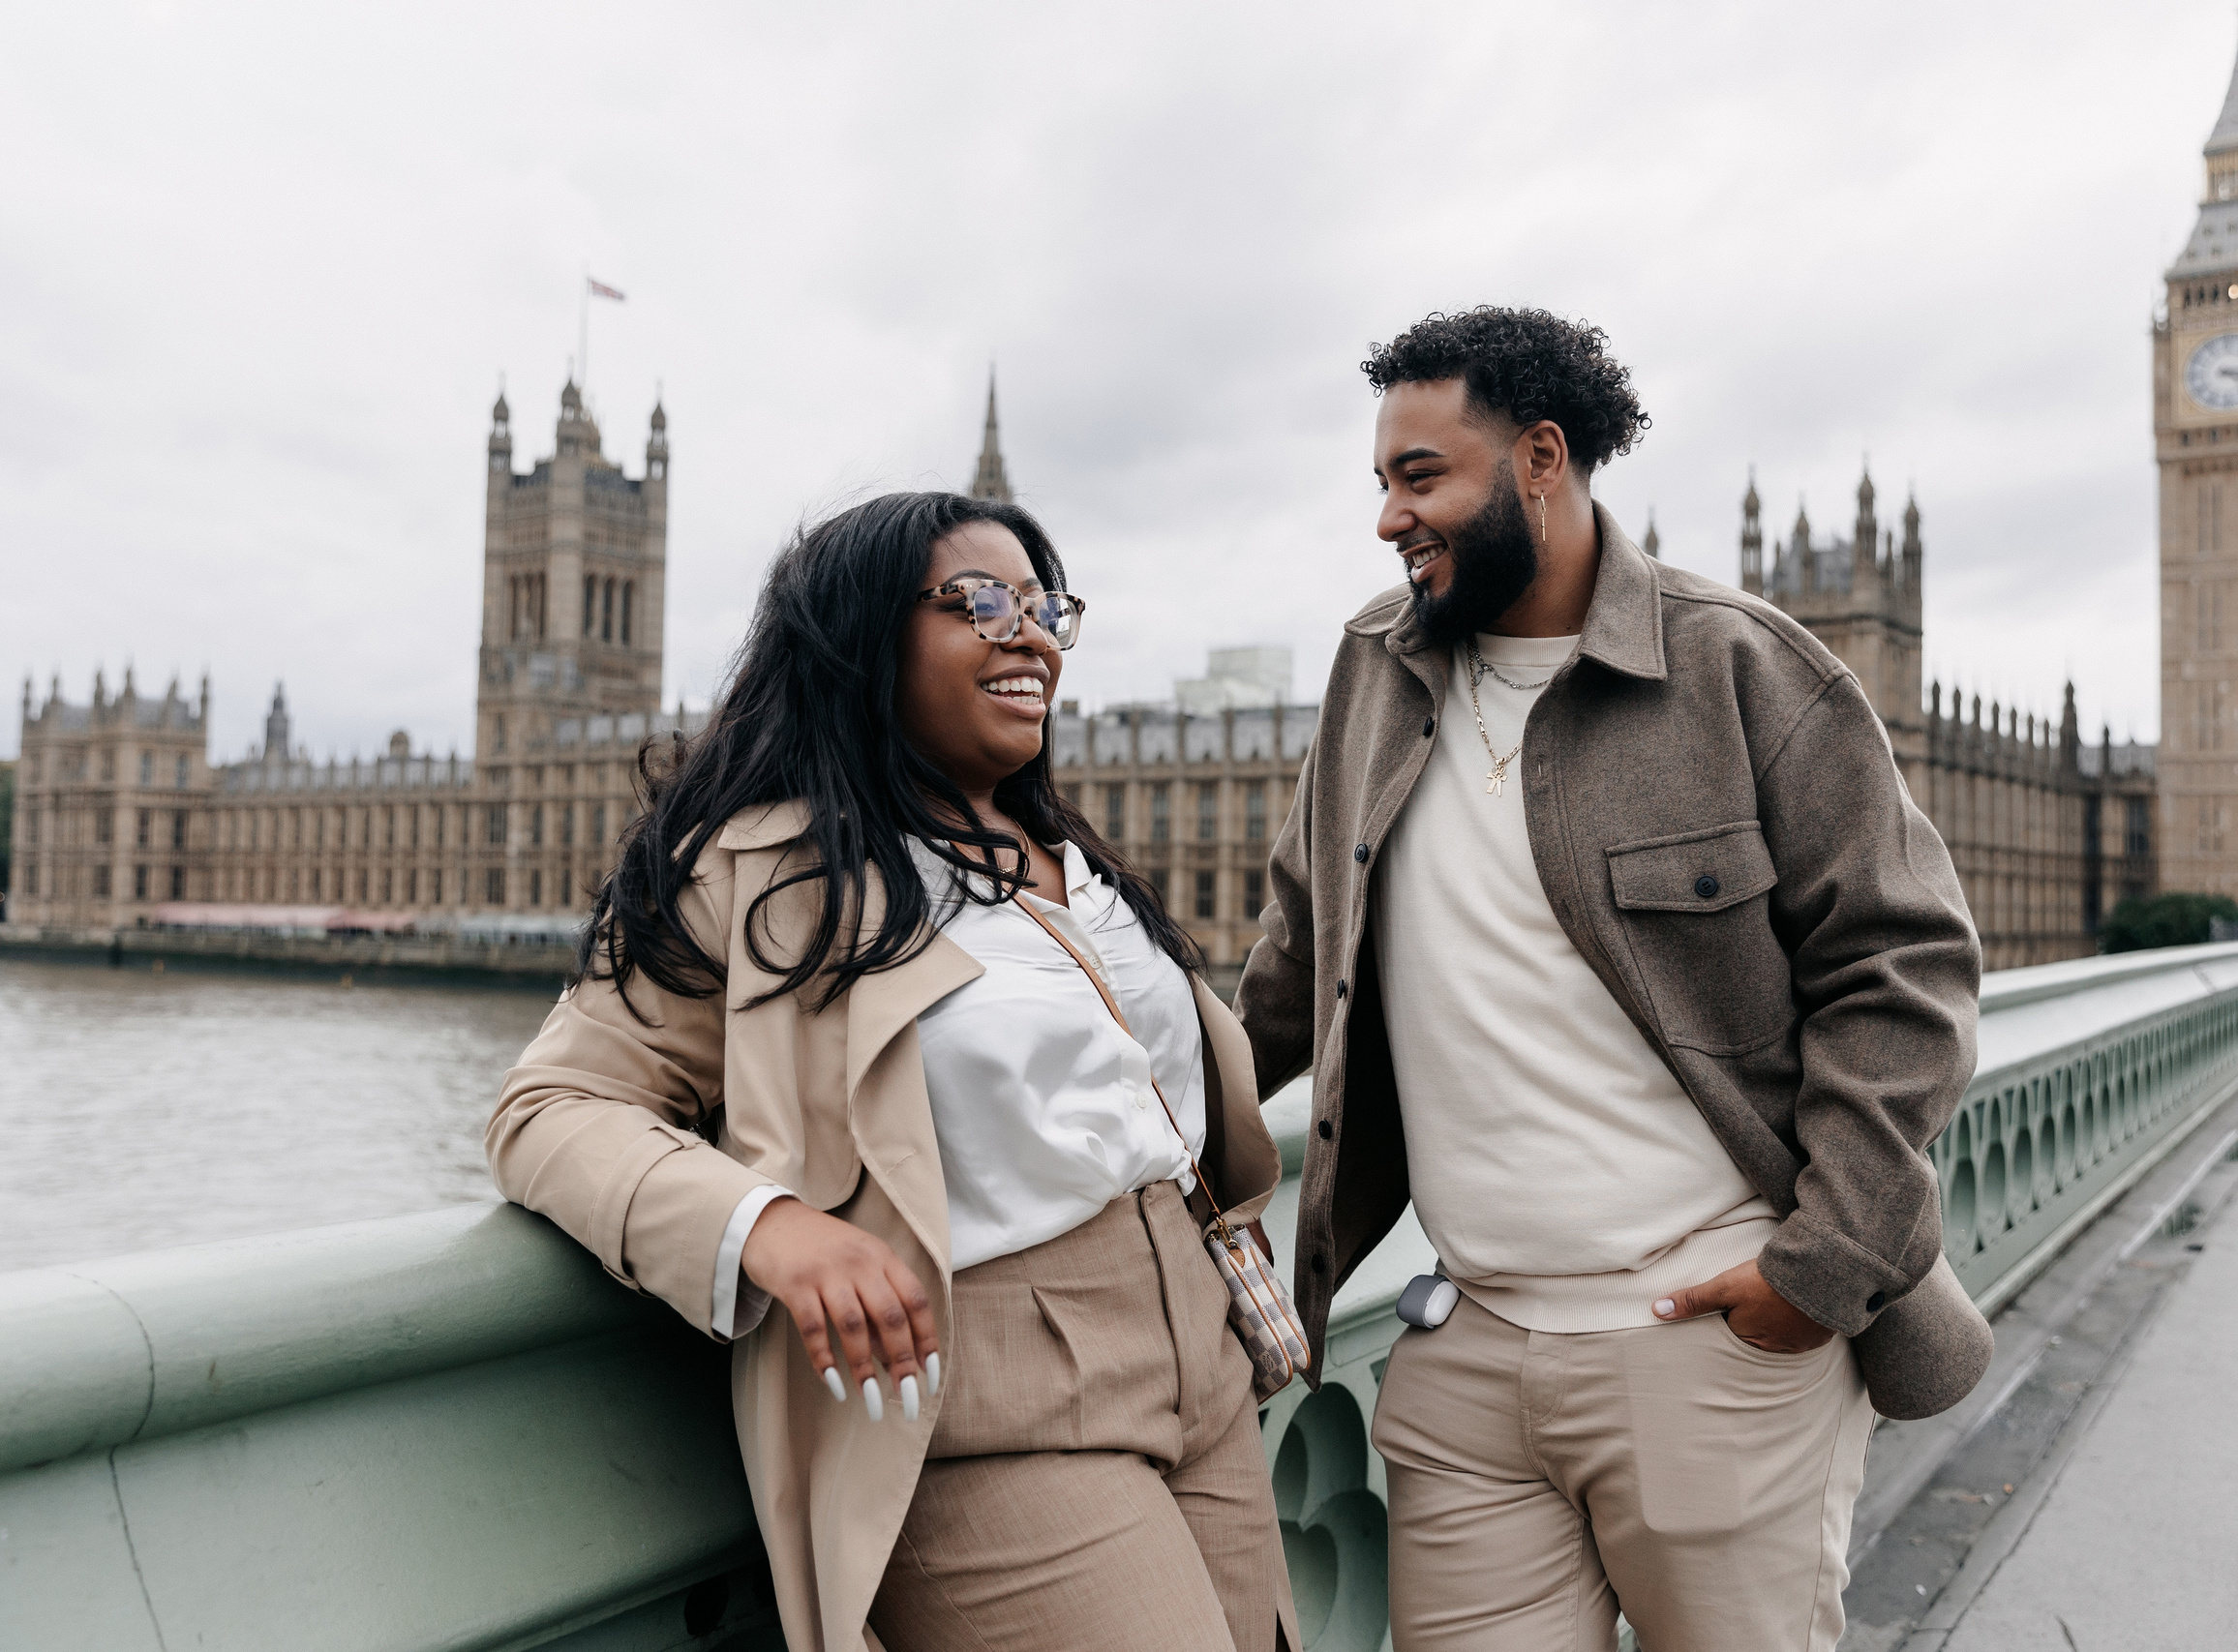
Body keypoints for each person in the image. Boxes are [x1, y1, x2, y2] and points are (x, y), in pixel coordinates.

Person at [1236, 307, 1991, 1652]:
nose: (1389, 517)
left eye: (1421, 477)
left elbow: (1905, 970)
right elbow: (1295, 965)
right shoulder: (1374, 667)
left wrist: (1817, 1268)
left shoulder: (1743, 666)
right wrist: (1122, 1118)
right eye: (1382, 481)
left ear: (1540, 458)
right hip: (1464, 1346)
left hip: (1707, 1336)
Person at [487, 493, 1298, 1652]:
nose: (1030, 634)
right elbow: (551, 1106)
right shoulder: (765, 869)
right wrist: (763, 1226)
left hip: (1203, 1360)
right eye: (981, 603)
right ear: (862, 636)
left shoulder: (1066, 853)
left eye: (1044, 608)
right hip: (989, 1385)